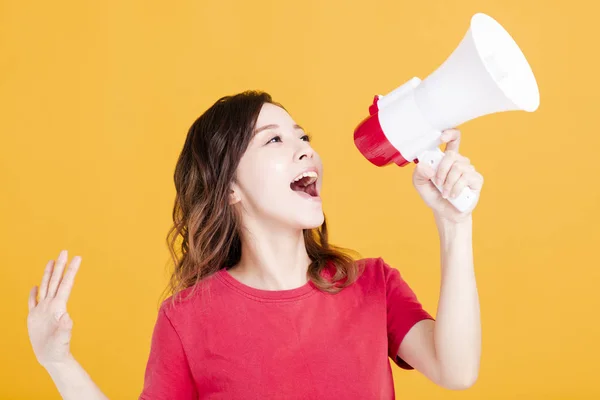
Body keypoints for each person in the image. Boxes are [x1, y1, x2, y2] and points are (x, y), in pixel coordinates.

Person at [27, 91, 484, 399]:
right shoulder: (186, 318)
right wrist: (58, 361)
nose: (306, 149)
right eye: (275, 141)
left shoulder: (372, 285)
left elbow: (456, 371)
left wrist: (455, 225)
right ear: (230, 188)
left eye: (303, 136)